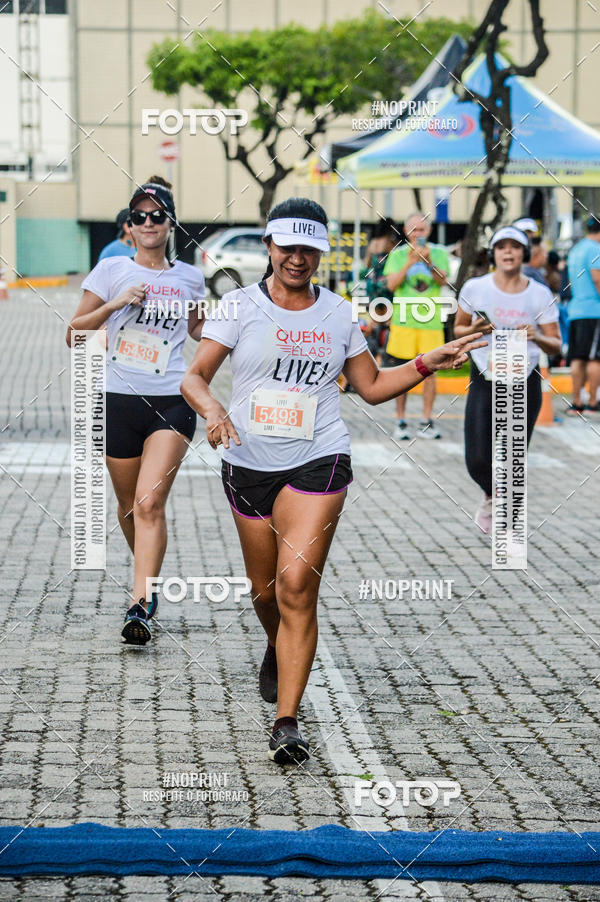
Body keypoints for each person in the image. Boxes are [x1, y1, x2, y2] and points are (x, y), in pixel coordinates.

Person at [181, 197, 484, 764]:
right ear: (269, 247)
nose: (298, 258)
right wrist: (214, 411)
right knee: (265, 592)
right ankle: (276, 643)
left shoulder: (340, 313)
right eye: (287, 247)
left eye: (309, 249)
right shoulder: (238, 306)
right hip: (248, 461)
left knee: (297, 585)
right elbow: (194, 377)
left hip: (319, 458)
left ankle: (286, 721)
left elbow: (367, 386)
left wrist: (427, 361)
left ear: (321, 253)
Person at [67, 176, 205, 644]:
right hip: (116, 400)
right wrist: (115, 304)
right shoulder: (110, 272)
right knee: (129, 507)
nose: (148, 223)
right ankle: (147, 576)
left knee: (149, 502)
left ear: (170, 223)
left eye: (157, 216)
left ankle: (140, 601)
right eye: (139, 217)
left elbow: (201, 334)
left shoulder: (189, 277)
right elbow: (74, 333)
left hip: (171, 400)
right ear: (130, 226)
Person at [454, 226, 561, 534]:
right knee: (477, 458)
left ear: (523, 254)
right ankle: (493, 493)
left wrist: (537, 337)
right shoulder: (476, 288)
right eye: (502, 247)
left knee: (514, 457)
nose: (508, 252)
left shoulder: (538, 294)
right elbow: (458, 331)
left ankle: (505, 507)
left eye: (515, 247)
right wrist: (477, 329)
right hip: (485, 375)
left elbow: (557, 344)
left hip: (524, 377)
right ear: (494, 254)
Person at [382, 211, 450, 440]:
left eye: (421, 229)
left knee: (430, 373)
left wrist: (429, 262)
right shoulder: (398, 254)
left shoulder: (439, 252)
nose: (417, 234)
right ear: (406, 231)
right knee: (401, 372)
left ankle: (426, 420)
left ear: (428, 231)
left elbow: (443, 281)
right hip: (404, 323)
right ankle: (400, 420)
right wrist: (409, 263)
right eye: (414, 230)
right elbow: (391, 285)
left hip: (430, 323)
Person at [566, 214, 600, 413]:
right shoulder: (596, 249)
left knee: (578, 357)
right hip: (594, 311)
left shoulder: (576, 249)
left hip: (576, 310)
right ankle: (593, 402)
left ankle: (577, 402)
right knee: (595, 358)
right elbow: (597, 278)